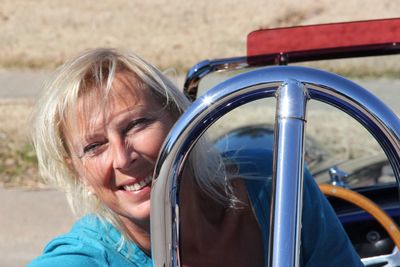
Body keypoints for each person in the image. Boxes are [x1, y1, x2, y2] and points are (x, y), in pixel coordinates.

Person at [28, 48, 363, 266]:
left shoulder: (272, 182)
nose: (122, 157)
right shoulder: (84, 258)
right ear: (76, 171)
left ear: (182, 119)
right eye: (94, 147)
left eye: (136, 124)